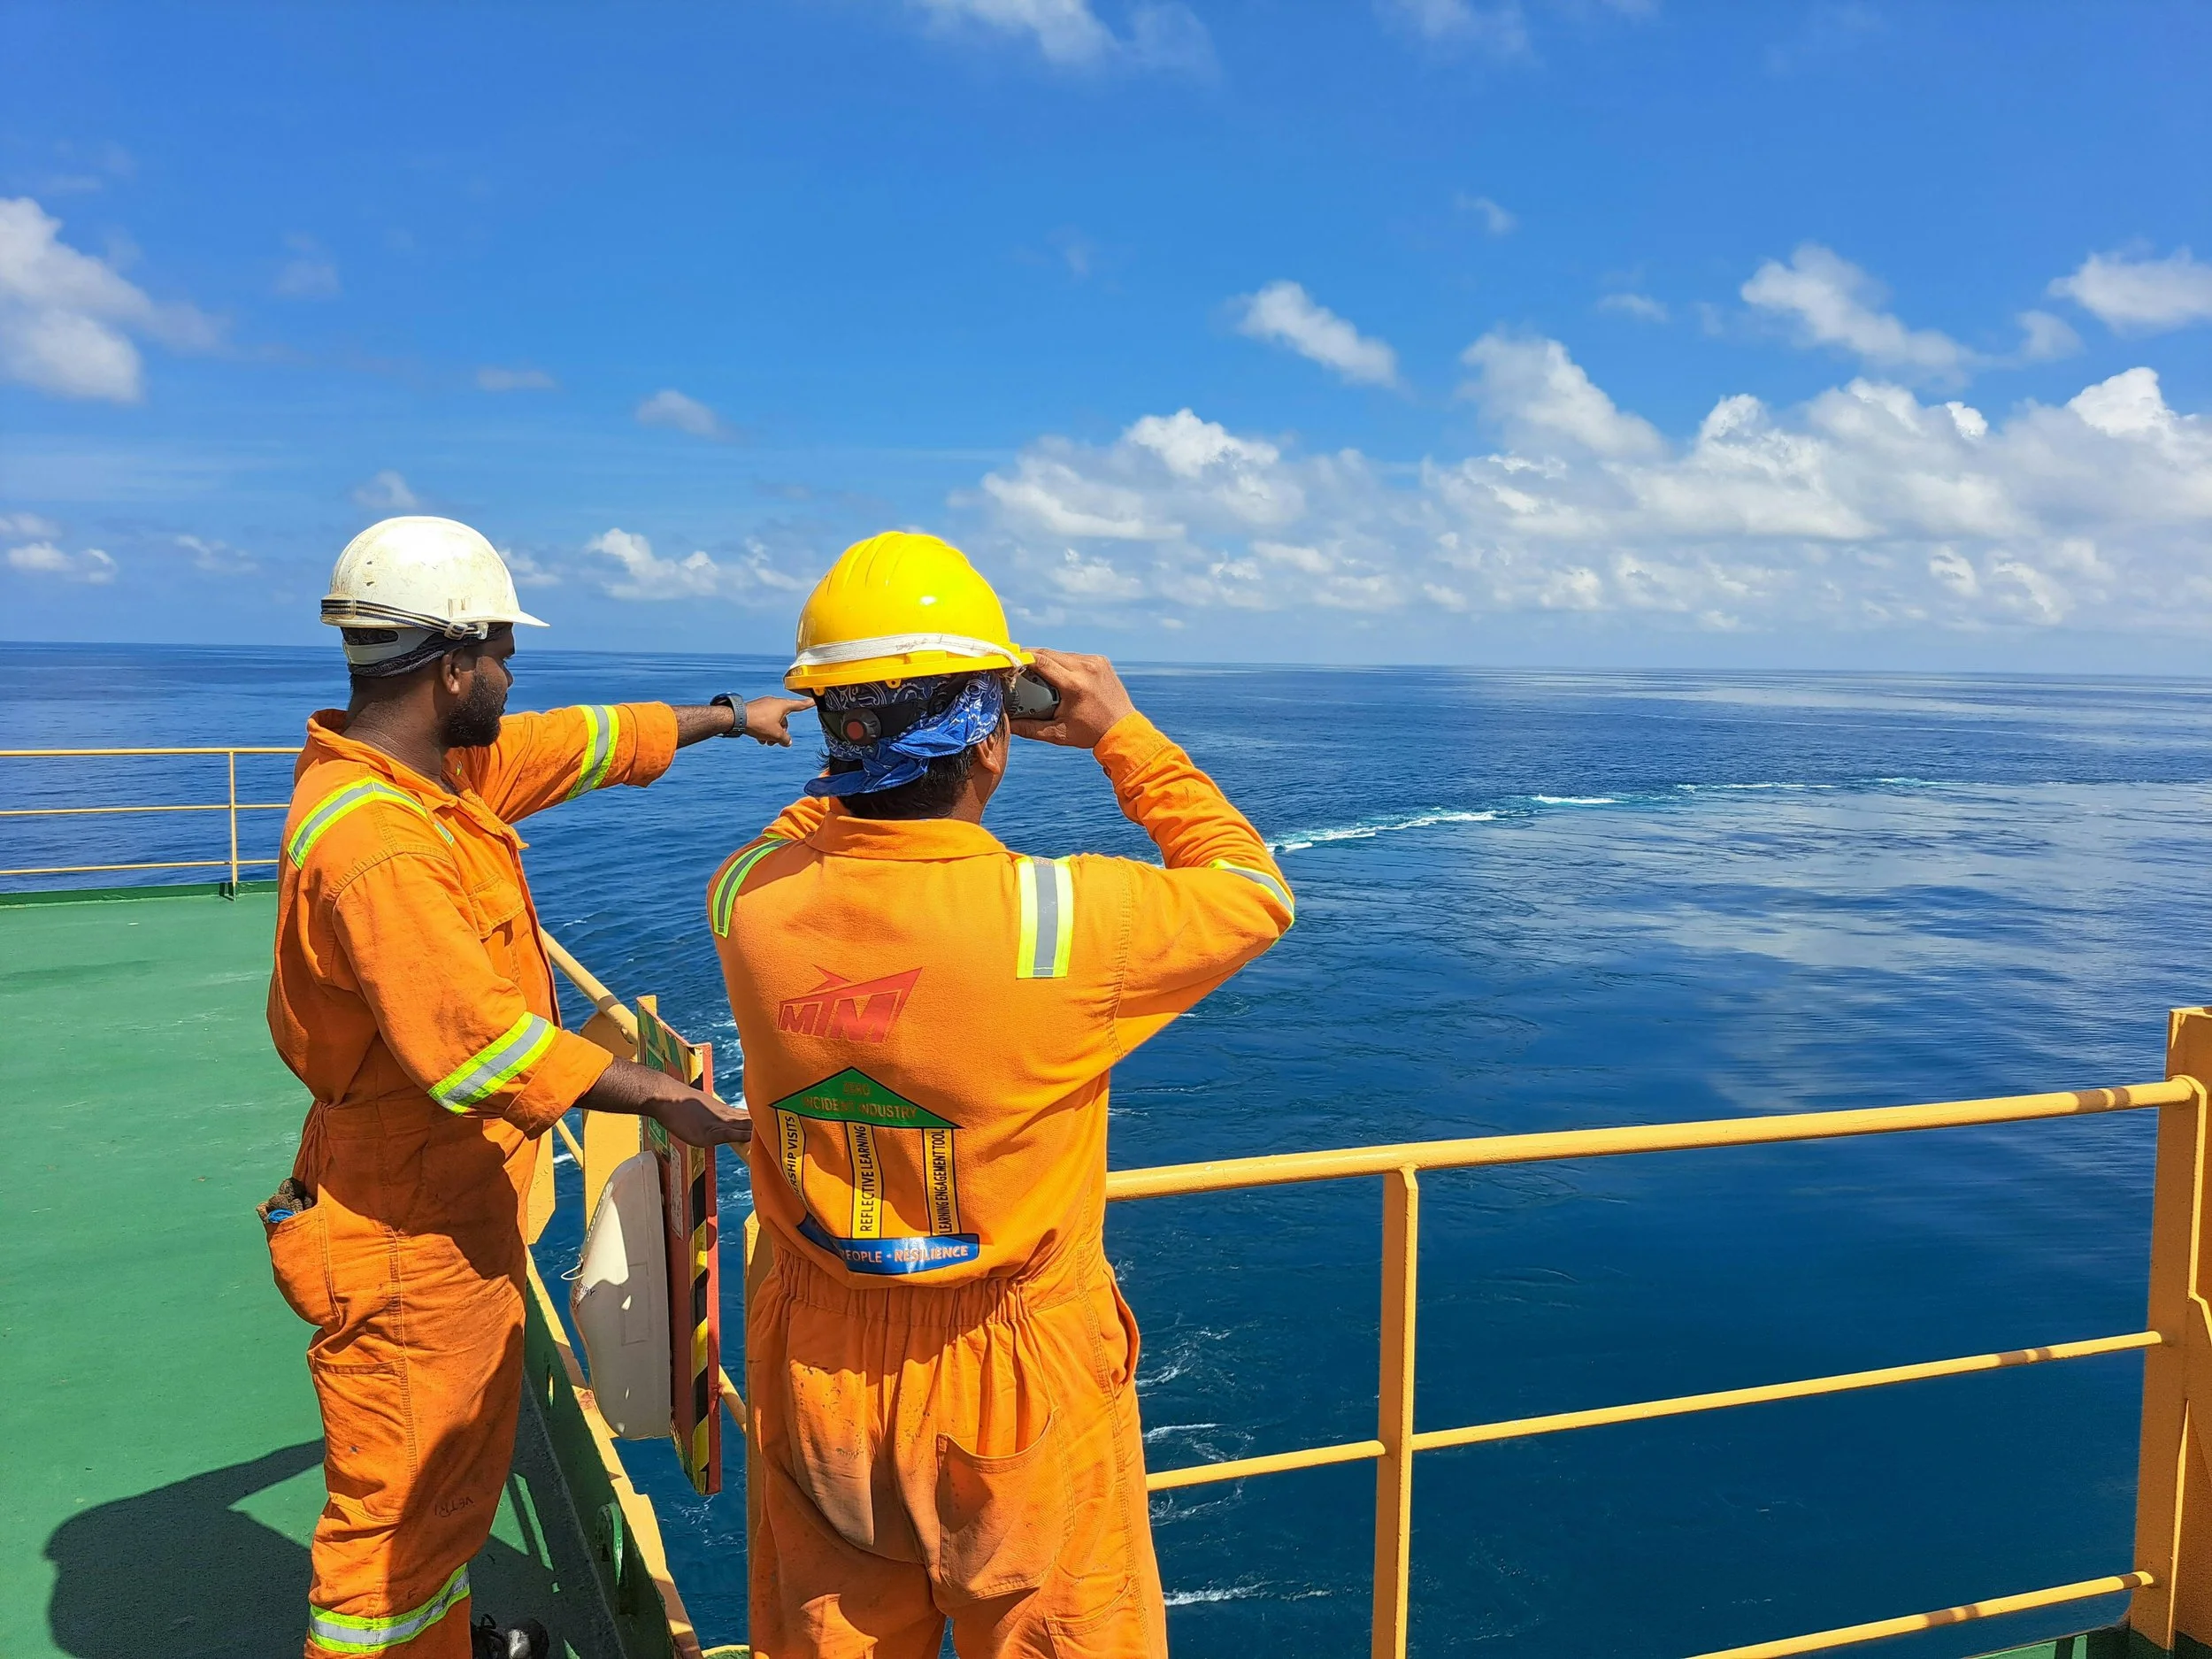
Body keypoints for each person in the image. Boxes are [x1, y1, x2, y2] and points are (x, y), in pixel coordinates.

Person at [707, 530, 1295, 1658]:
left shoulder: (748, 901)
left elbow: (810, 828)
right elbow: (1251, 890)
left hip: (817, 1360)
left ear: (832, 731)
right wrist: (1124, 735)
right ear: (993, 742)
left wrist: (869, 726)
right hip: (1010, 1376)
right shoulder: (1065, 924)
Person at [263, 515, 807, 1659]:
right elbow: (478, 1050)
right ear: (454, 663)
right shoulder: (384, 848)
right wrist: (666, 1097)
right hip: (405, 1226)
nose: (513, 679)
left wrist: (723, 716)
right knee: (396, 1527)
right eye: (503, 656)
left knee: (450, 1477)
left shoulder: (425, 775)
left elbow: (581, 741)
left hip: (440, 1198)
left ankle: (445, 1642)